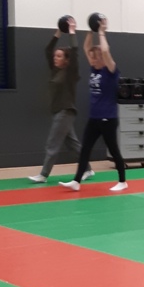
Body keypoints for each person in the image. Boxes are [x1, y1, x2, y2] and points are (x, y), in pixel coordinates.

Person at [60, 20, 127, 192]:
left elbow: (105, 50)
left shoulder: (111, 71)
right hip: (94, 118)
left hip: (108, 118)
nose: (92, 58)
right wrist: (91, 30)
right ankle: (76, 181)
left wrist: (101, 32)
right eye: (92, 56)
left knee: (113, 150)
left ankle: (122, 181)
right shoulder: (94, 70)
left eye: (95, 57)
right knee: (85, 149)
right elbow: (86, 47)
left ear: (103, 59)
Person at [28, 18, 93, 184]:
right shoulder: (55, 70)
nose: (55, 58)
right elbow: (48, 50)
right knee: (73, 144)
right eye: (55, 56)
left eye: (59, 56)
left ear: (66, 60)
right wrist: (59, 31)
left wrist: (72, 32)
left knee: (52, 144)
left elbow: (75, 51)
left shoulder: (71, 73)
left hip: (65, 111)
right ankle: (88, 169)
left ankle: (43, 175)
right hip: (58, 111)